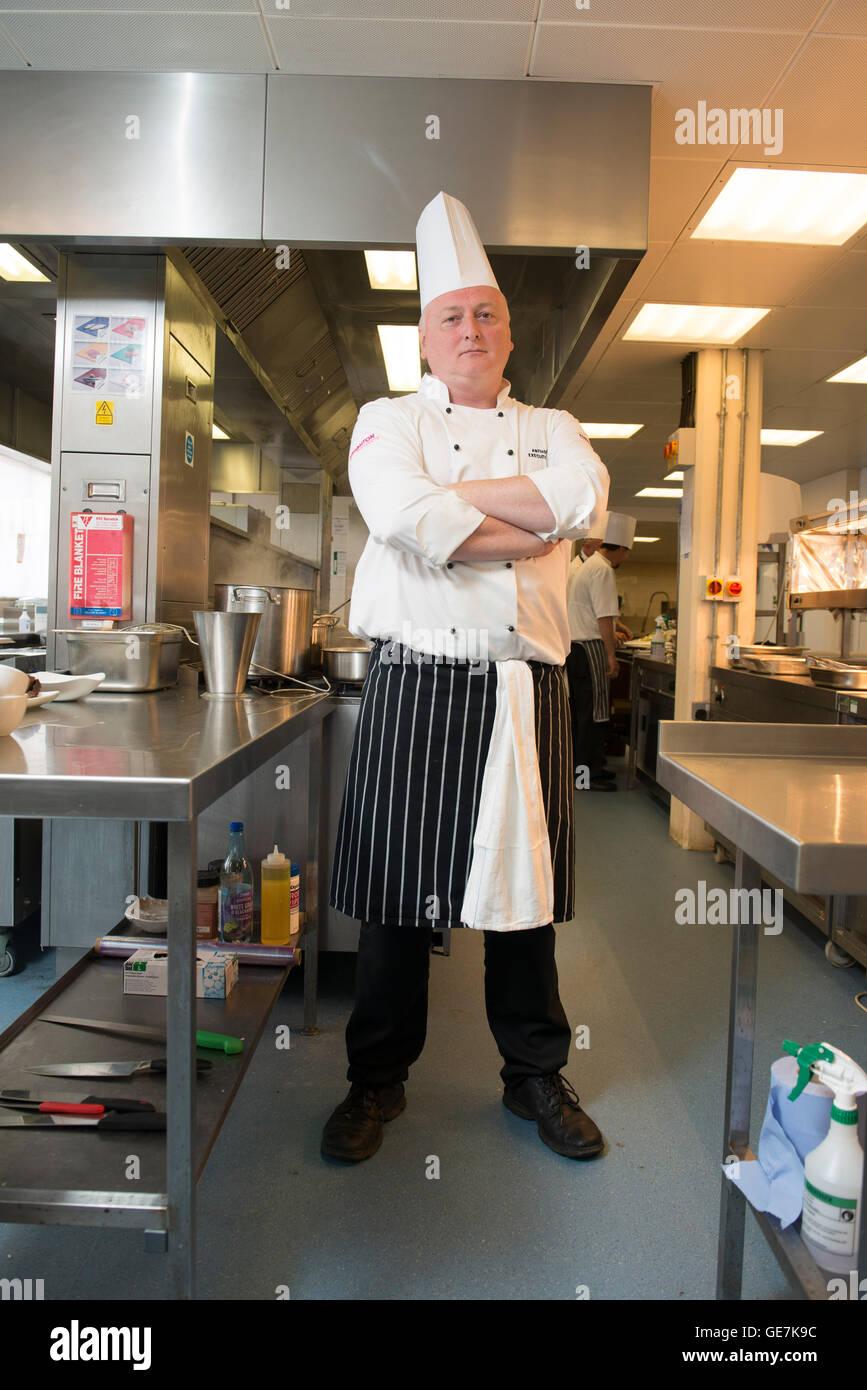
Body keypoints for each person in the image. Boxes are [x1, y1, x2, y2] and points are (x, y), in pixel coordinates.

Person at [322, 191, 609, 1165]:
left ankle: (534, 1073)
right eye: (452, 315)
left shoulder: (555, 424)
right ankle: (375, 1082)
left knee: (521, 904)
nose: (471, 329)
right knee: (397, 904)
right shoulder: (383, 419)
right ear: (425, 337)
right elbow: (400, 512)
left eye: (485, 312)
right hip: (418, 679)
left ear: (509, 329)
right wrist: (527, 527)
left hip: (526, 685)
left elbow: (582, 496)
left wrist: (457, 513)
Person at [565, 512, 636, 793]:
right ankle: (585, 778)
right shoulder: (603, 569)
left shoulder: (588, 566)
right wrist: (611, 655)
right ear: (620, 549)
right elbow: (604, 618)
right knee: (593, 715)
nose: (625, 558)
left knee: (583, 714)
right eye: (626, 552)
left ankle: (589, 770)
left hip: (576, 649)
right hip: (589, 648)